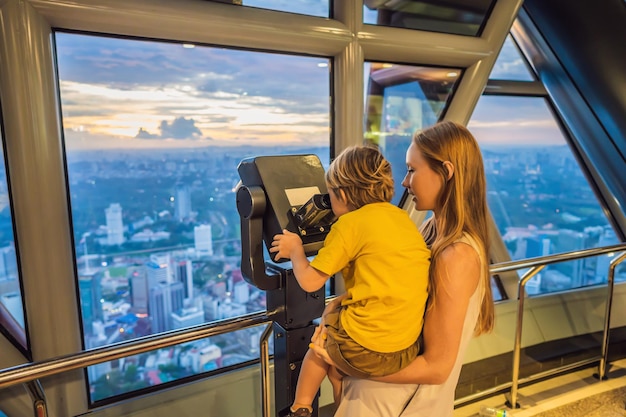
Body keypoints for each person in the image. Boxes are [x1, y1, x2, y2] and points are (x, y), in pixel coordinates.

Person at [309, 120, 495, 417]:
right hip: (380, 397)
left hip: (400, 406)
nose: (406, 182)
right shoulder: (429, 232)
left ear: (446, 172)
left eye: (412, 169)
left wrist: (344, 361)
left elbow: (436, 368)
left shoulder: (457, 255)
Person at [270, 145, 431, 417]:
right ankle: (337, 382)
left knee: (320, 340)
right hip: (405, 348)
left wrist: (296, 251)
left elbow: (310, 282)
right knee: (337, 318)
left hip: (367, 350)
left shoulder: (349, 225)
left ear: (342, 194)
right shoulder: (401, 218)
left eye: (330, 194)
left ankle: (300, 406)